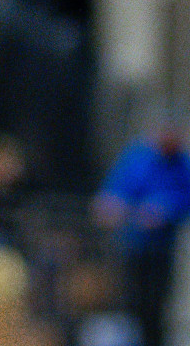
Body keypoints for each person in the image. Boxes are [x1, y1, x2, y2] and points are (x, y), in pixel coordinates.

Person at [93, 113, 190, 346]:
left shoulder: (183, 164)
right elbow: (114, 190)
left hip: (160, 249)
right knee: (127, 303)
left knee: (154, 306)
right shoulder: (136, 157)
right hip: (129, 244)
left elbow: (184, 198)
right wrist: (111, 203)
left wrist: (164, 210)